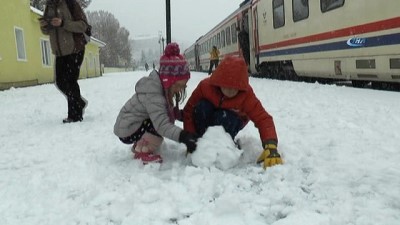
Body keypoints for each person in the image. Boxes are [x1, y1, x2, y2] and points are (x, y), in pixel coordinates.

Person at [183, 56, 282, 169]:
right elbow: (189, 111)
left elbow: (263, 118)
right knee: (202, 107)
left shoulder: (246, 95)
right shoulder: (205, 87)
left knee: (224, 117)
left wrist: (271, 146)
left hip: (231, 120)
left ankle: (226, 144)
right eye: (226, 86)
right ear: (218, 82)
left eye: (235, 88)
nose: (230, 91)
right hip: (208, 116)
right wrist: (190, 137)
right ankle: (201, 141)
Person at [114, 43, 198, 164]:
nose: (180, 89)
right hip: (127, 129)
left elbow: (165, 111)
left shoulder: (160, 88)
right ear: (169, 81)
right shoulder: (154, 94)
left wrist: (181, 115)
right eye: (178, 85)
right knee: (158, 129)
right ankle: (142, 151)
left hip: (132, 125)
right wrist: (184, 136)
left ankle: (141, 143)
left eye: (183, 86)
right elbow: (162, 125)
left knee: (158, 121)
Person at [39, 0, 88, 123]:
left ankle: (75, 115)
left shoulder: (71, 4)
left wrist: (63, 23)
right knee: (60, 82)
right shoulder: (49, 6)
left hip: (75, 49)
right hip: (60, 52)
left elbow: (83, 25)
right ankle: (79, 102)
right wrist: (44, 26)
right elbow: (46, 31)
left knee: (70, 81)